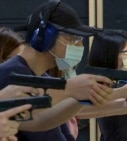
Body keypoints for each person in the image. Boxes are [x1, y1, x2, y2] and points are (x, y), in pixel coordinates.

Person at [0, 1, 113, 141]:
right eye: (71, 38)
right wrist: (71, 88)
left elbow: (46, 123)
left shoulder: (42, 76)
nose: (78, 45)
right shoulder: (11, 73)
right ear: (44, 36)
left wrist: (84, 95)